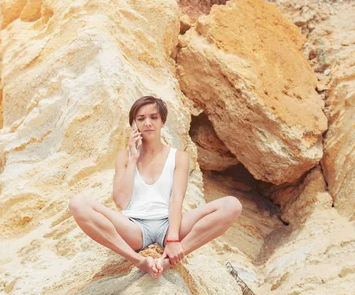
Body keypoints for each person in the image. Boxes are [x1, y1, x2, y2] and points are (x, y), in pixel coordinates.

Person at [69, 96, 242, 278]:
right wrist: (133, 158)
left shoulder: (179, 157)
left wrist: (173, 239)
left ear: (163, 121)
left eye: (153, 117)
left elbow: (176, 198)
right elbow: (121, 202)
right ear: (134, 124)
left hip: (168, 225)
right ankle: (138, 261)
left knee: (232, 205)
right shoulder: (125, 157)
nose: (148, 123)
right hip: (134, 228)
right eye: (141, 119)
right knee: (77, 203)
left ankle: (169, 260)